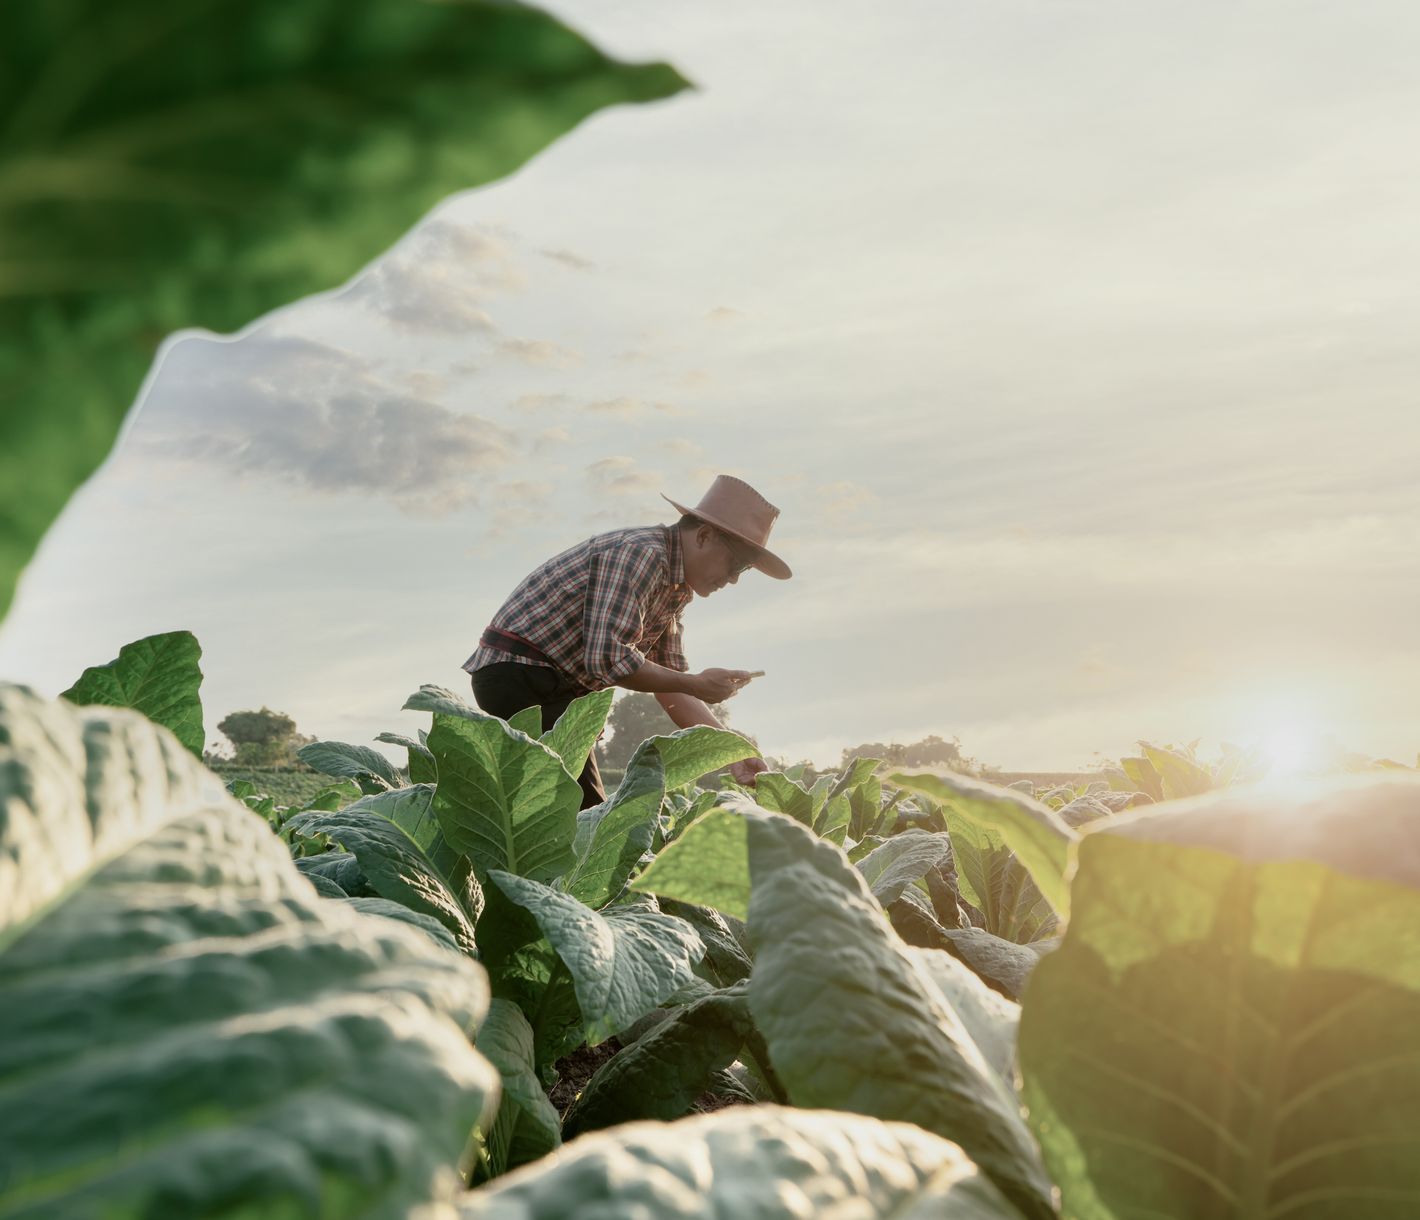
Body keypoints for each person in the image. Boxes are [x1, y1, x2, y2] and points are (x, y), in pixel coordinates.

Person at [463, 474, 791, 809]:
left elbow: (670, 686)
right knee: (585, 816)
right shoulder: (641, 555)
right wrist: (695, 683)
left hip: (552, 689)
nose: (734, 578)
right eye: (736, 563)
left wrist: (732, 750)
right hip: (520, 673)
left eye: (744, 570)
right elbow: (608, 660)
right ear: (704, 536)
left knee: (566, 814)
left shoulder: (674, 589)